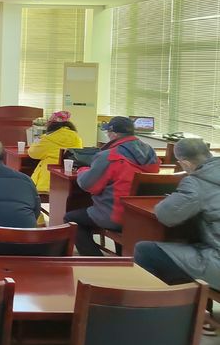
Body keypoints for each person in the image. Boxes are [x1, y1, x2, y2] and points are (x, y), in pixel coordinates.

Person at [65, 116, 160, 256]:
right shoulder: (150, 153)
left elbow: (88, 185)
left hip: (115, 215)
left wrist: (82, 170)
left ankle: (95, 260)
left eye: (108, 132)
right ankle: (121, 256)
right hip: (141, 216)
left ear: (114, 134)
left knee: (71, 219)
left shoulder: (109, 156)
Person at [134, 138, 220, 291]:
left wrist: (173, 199)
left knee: (145, 251)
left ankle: (168, 302)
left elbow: (166, 215)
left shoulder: (196, 182)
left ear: (185, 163)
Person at [28, 110, 83, 193]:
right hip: (69, 181)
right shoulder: (77, 138)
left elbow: (33, 153)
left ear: (52, 125)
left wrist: (37, 141)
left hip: (47, 180)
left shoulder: (48, 138)